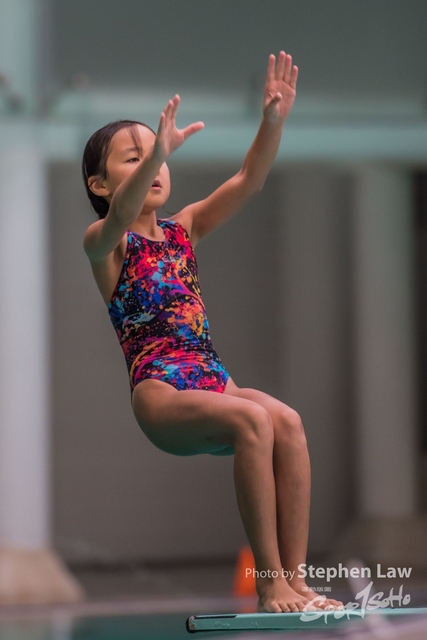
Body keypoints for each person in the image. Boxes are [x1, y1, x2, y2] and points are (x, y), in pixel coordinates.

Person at [82, 51, 343, 613]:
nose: (154, 165)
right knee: (253, 419)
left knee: (287, 422)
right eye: (136, 158)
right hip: (162, 392)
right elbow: (122, 214)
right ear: (100, 184)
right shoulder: (105, 242)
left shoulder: (185, 228)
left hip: (213, 379)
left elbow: (250, 180)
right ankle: (269, 585)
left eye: (157, 154)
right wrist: (159, 152)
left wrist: (272, 121)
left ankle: (296, 582)